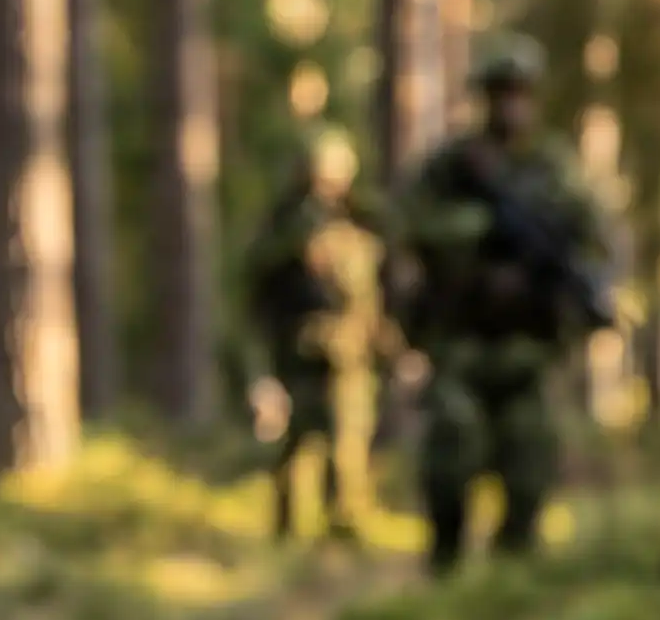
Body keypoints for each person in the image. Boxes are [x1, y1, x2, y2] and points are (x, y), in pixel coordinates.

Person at [395, 34, 606, 574]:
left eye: (520, 93)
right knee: (450, 457)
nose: (510, 105)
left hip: (527, 346)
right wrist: (480, 235)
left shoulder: (554, 169)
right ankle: (445, 573)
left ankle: (511, 587)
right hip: (461, 342)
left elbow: (588, 238)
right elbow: (412, 229)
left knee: (530, 468)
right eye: (499, 93)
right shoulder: (451, 165)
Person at [239, 130, 372, 542]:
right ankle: (288, 537)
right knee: (292, 454)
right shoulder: (281, 233)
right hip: (293, 355)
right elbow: (256, 301)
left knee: (347, 447)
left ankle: (342, 534)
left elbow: (369, 298)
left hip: (347, 357)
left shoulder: (357, 229)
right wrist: (260, 372)